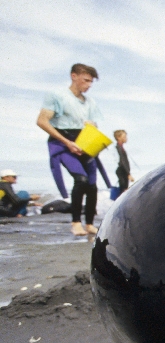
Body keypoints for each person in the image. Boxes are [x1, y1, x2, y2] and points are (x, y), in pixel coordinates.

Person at [36, 63, 104, 236]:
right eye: (86, 80)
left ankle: (89, 224)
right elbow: (42, 121)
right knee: (80, 179)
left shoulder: (90, 102)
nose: (88, 85)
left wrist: (92, 135)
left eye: (91, 82)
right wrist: (67, 142)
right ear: (74, 76)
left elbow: (93, 124)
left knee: (92, 185)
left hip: (83, 142)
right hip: (63, 142)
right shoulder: (57, 96)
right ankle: (75, 223)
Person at [113, 129, 133, 196]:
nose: (126, 138)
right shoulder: (118, 148)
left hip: (123, 171)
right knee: (124, 191)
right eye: (124, 137)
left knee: (124, 190)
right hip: (122, 171)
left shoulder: (121, 147)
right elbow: (122, 162)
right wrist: (128, 174)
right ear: (118, 137)